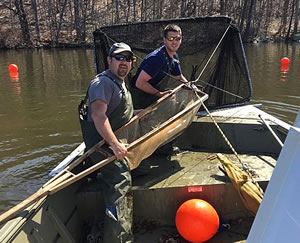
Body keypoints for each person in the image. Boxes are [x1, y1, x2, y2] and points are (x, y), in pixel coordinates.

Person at [79, 42, 137, 243]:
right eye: (119, 57)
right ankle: (118, 238)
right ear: (109, 60)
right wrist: (114, 145)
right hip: (102, 145)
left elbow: (118, 112)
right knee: (121, 180)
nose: (124, 62)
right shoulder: (102, 83)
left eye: (128, 58)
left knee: (141, 165)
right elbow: (98, 116)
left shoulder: (119, 82)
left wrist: (140, 113)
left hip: (113, 140)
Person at [131, 24, 188, 109]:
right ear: (164, 40)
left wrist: (191, 87)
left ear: (181, 39)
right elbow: (140, 83)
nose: (174, 42)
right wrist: (160, 94)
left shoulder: (174, 56)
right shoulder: (157, 58)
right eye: (171, 39)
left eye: (177, 38)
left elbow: (179, 77)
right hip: (139, 99)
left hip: (152, 95)